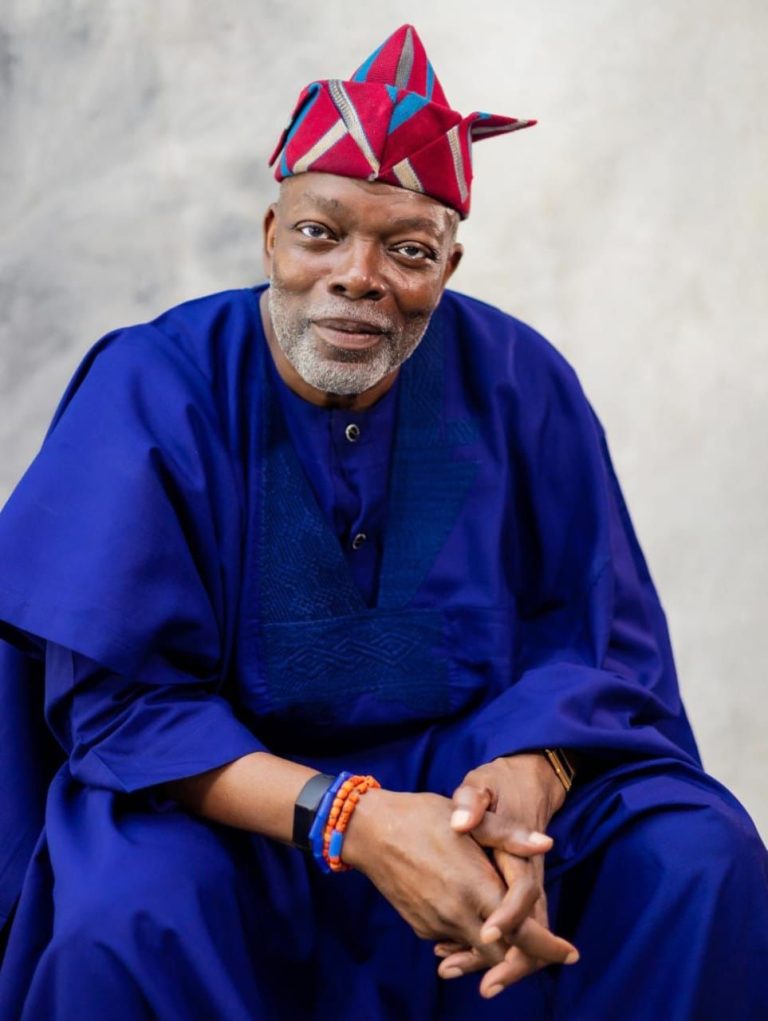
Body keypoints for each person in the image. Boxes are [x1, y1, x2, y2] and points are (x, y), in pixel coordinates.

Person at [0, 23, 765, 1021]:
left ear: (448, 265)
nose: (358, 275)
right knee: (127, 918)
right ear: (271, 235)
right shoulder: (154, 385)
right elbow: (121, 706)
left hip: (472, 788)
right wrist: (351, 819)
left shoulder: (520, 382)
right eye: (322, 233)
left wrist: (530, 779)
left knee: (694, 855)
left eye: (407, 249)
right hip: (233, 805)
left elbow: (598, 642)